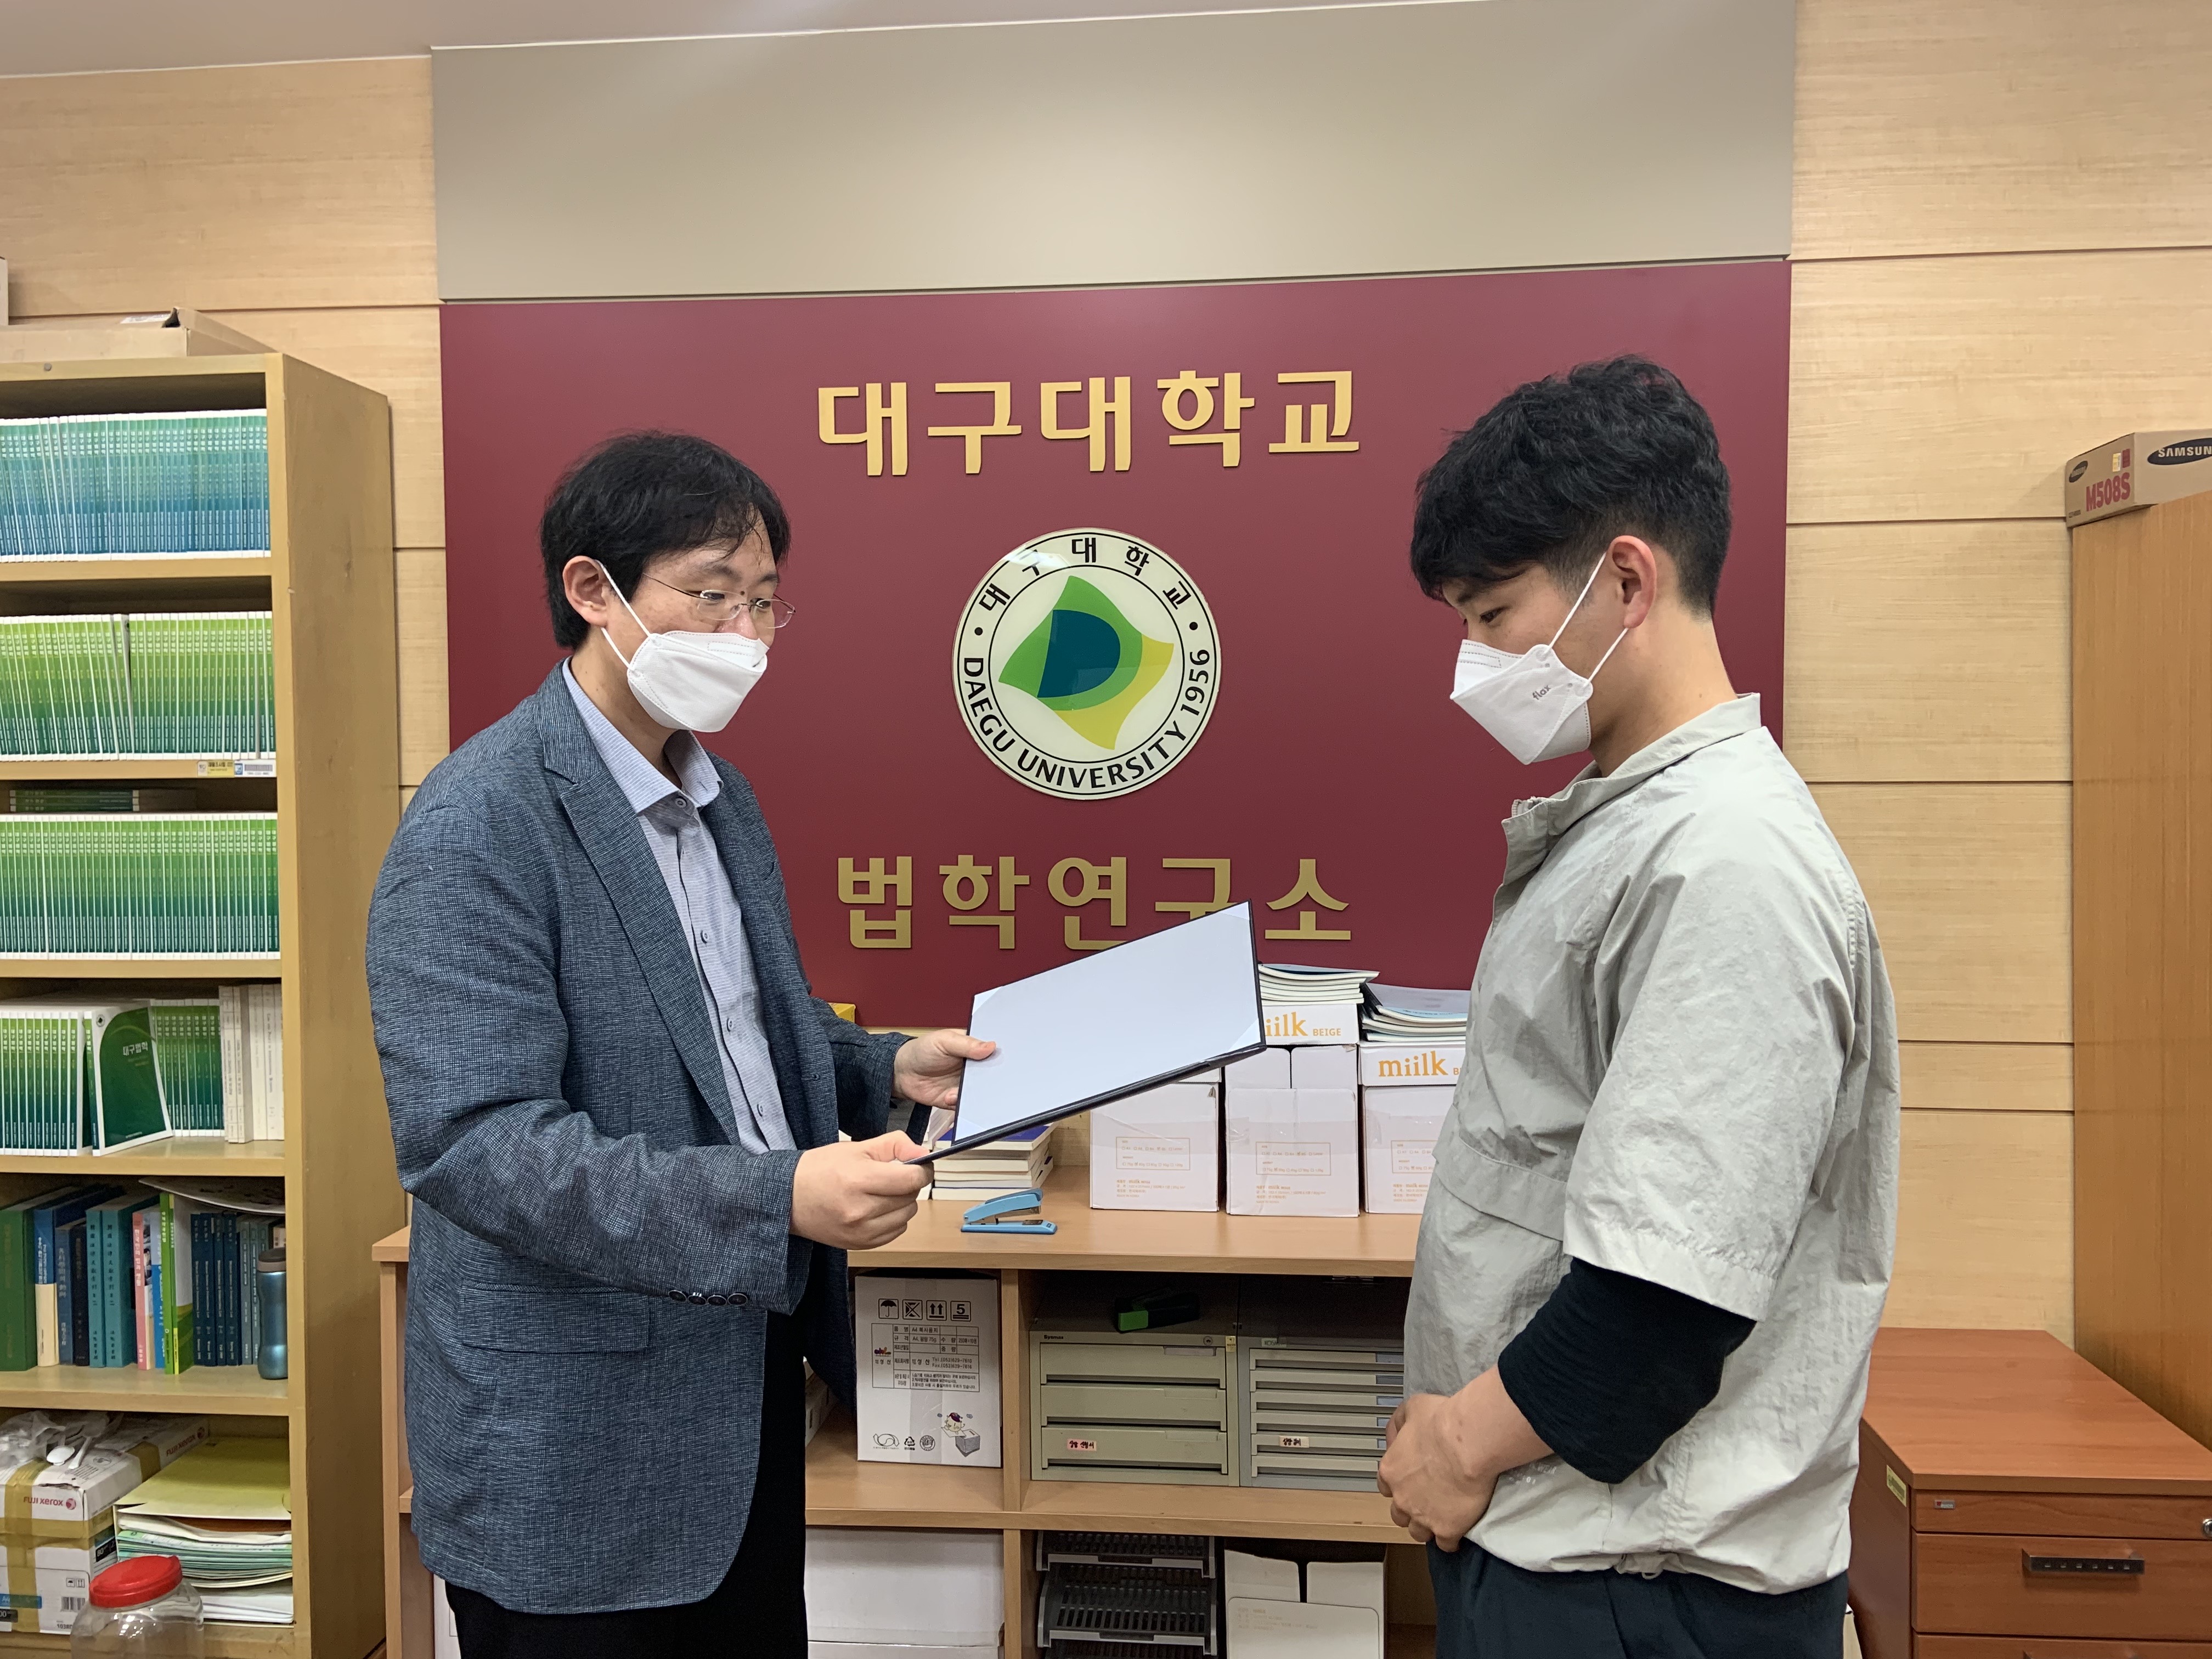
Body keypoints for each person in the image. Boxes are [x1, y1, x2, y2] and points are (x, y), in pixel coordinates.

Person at [366, 431, 990, 1658]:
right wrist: (778, 1198)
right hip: (575, 1435)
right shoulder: (478, 823)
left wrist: (881, 1067)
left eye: (764, 603)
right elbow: (474, 1146)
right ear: (592, 591)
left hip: (742, 1378)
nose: (744, 636)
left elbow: (742, 1034)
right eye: (710, 594)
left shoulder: (717, 795)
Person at [1375, 357, 1899, 1659]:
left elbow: (1663, 1302)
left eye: (1494, 614)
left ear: (1624, 582)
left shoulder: (1725, 864)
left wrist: (1455, 1445)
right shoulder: (1632, 823)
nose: (1475, 662)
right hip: (1560, 1542)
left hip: (1636, 1583)